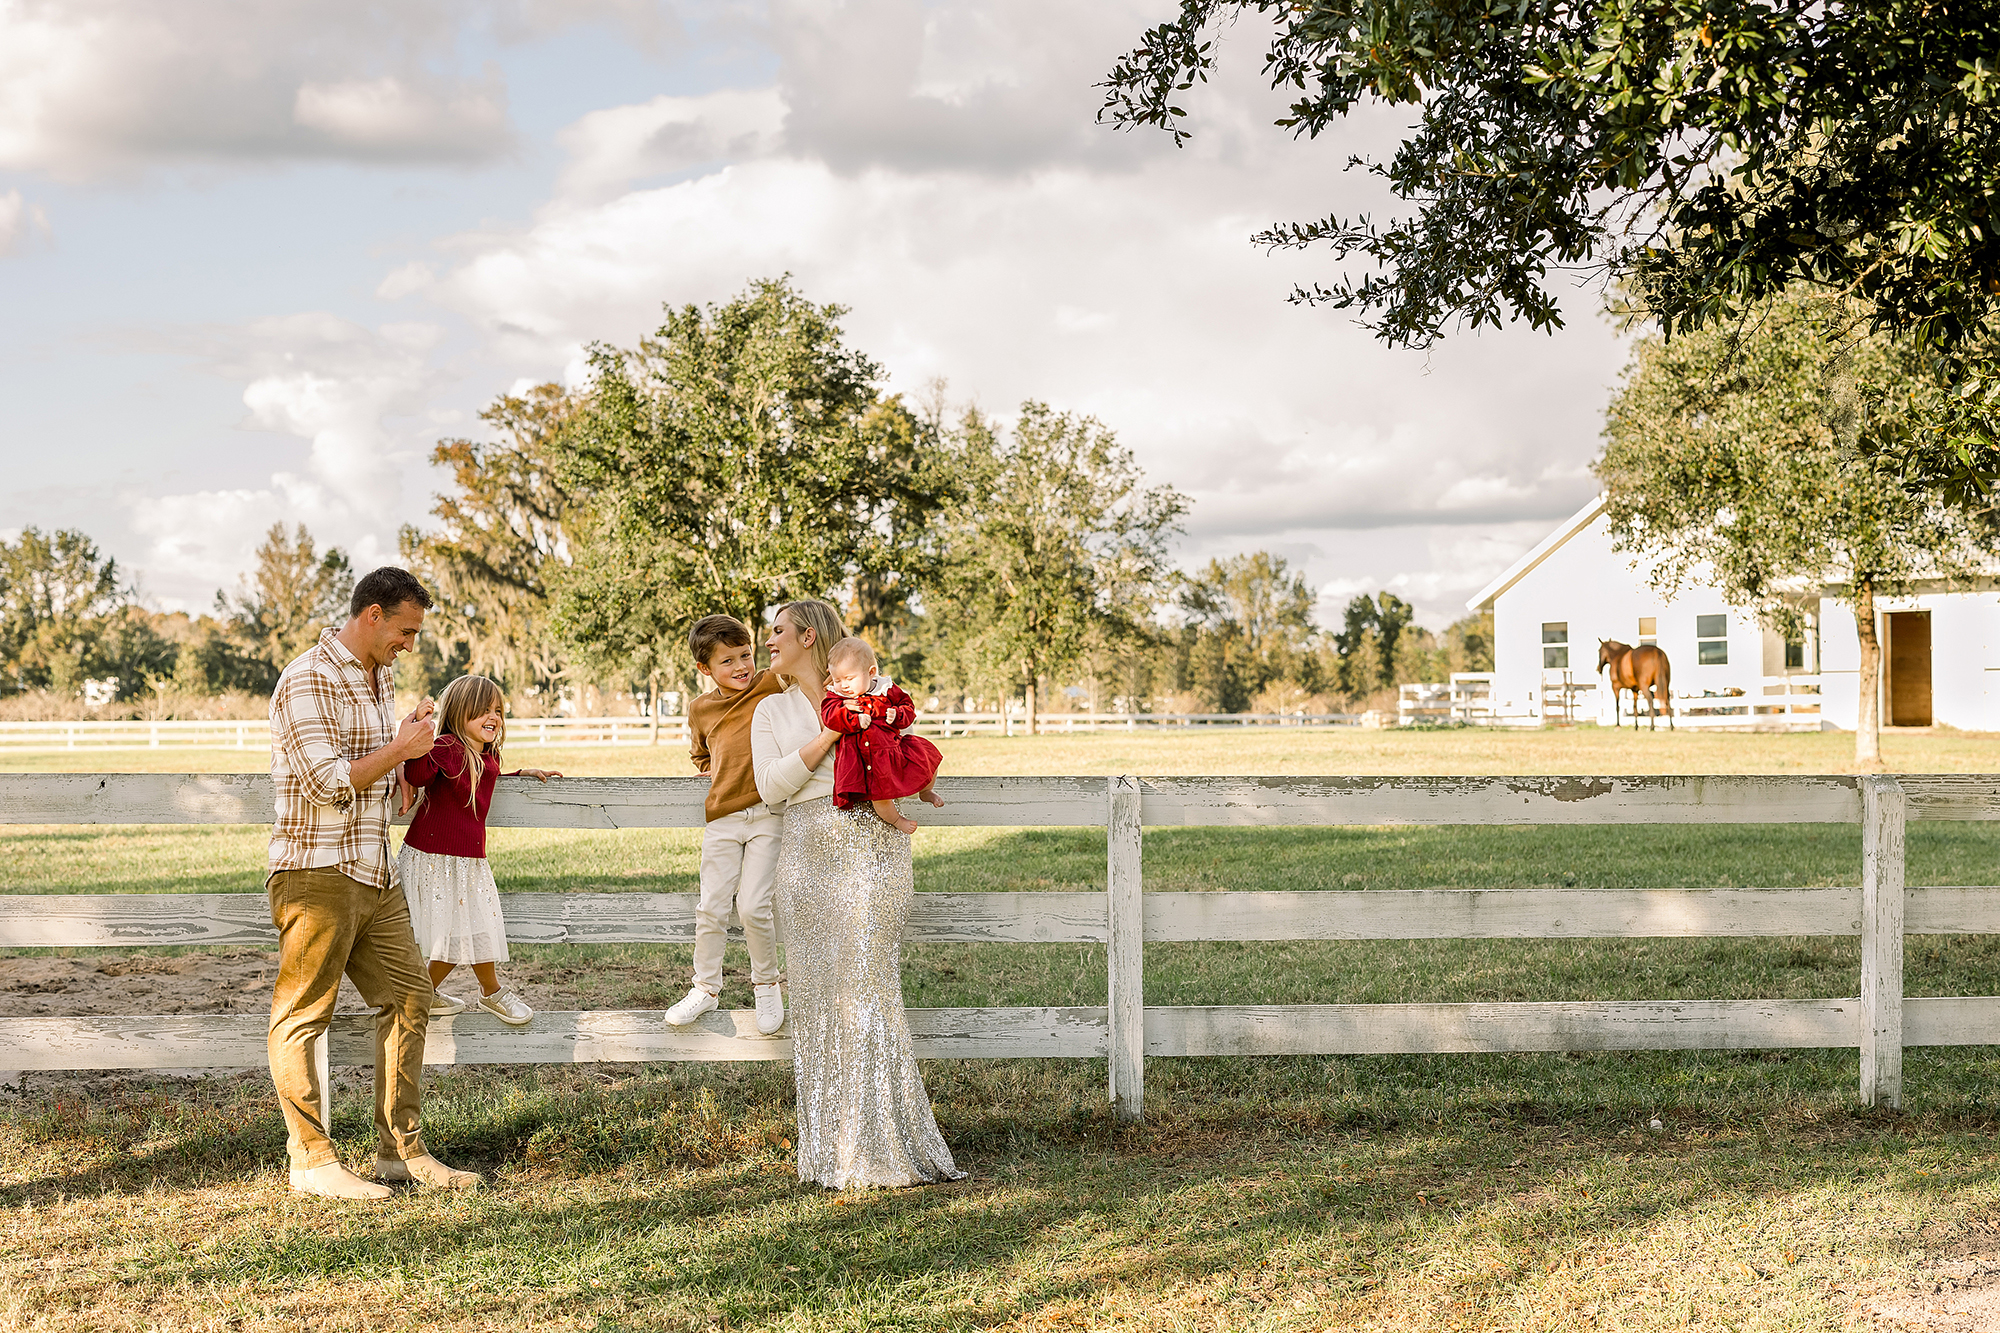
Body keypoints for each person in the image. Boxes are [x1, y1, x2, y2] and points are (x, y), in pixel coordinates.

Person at [265, 567, 480, 1200]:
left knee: (411, 997)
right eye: (406, 631)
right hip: (316, 870)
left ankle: (400, 1153)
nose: (410, 645)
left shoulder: (377, 678)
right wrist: (400, 746)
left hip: (370, 867)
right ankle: (312, 1160)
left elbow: (378, 792)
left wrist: (408, 765)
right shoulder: (308, 679)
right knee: (304, 1012)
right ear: (373, 616)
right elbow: (326, 782)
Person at [750, 599, 964, 1189]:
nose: (769, 643)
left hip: (871, 846)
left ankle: (885, 1143)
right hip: (807, 855)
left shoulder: (872, 692)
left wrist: (861, 716)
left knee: (868, 988)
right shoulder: (770, 709)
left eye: (777, 633)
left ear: (808, 636)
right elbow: (770, 788)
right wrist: (826, 733)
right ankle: (836, 1147)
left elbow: (900, 757)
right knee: (821, 1000)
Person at [397, 674, 560, 1026]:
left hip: (467, 861)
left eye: (497, 710)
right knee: (463, 931)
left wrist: (519, 774)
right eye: (482, 711)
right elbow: (417, 772)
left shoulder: (488, 754)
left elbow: (484, 778)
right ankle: (490, 993)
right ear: (458, 714)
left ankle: (426, 994)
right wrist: (418, 724)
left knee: (473, 929)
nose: (494, 717)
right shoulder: (446, 747)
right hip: (434, 858)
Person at [666, 614, 786, 1034]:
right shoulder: (700, 709)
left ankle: (767, 983)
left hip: (769, 813)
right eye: (727, 661)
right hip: (722, 817)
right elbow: (701, 755)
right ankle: (705, 989)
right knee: (711, 906)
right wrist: (708, 769)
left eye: (745, 655)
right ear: (705, 669)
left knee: (754, 905)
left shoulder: (772, 683)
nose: (740, 667)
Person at [820, 636, 944, 835]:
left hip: (894, 749)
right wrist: (853, 720)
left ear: (871, 672)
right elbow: (829, 716)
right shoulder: (837, 697)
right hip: (866, 760)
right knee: (880, 796)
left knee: (928, 758)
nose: (843, 685)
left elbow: (908, 707)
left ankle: (926, 790)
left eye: (849, 678)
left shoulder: (886, 689)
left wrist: (898, 714)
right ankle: (896, 820)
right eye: (837, 679)